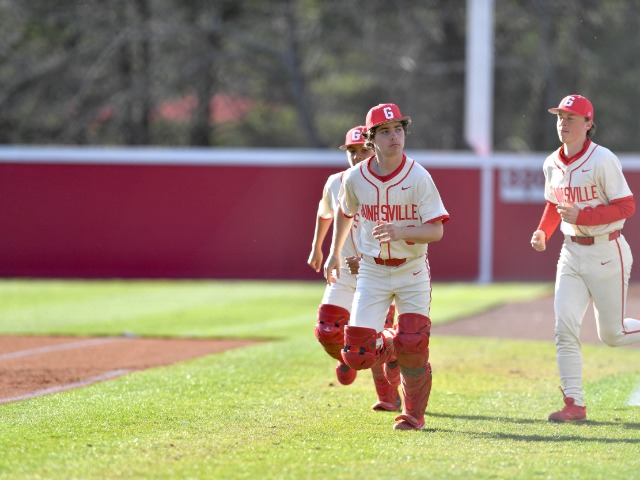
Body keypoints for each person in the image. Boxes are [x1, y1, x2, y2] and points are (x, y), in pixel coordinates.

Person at [323, 103, 449, 430]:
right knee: (356, 353)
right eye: (385, 131)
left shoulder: (418, 176)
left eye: (398, 129)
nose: (394, 136)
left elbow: (436, 230)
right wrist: (334, 253)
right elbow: (344, 212)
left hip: (412, 269)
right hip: (373, 271)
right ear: (371, 139)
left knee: (414, 344)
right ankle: (392, 347)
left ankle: (413, 415)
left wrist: (402, 232)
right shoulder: (355, 177)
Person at [530, 93, 640, 422]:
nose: (563, 123)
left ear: (588, 123)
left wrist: (583, 216)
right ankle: (574, 404)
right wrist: (543, 232)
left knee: (613, 335)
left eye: (571, 118)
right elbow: (554, 204)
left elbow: (626, 206)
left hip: (607, 250)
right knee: (564, 327)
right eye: (560, 117)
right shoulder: (551, 162)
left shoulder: (602, 159)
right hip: (571, 252)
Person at [308, 125, 400, 412]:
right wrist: (317, 247)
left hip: (380, 276)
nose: (357, 156)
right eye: (351, 150)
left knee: (372, 342)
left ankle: (388, 396)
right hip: (345, 273)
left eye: (363, 149)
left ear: (375, 149)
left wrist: (371, 261)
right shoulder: (336, 182)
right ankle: (347, 358)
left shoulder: (389, 185)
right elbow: (325, 213)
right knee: (327, 330)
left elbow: (400, 233)